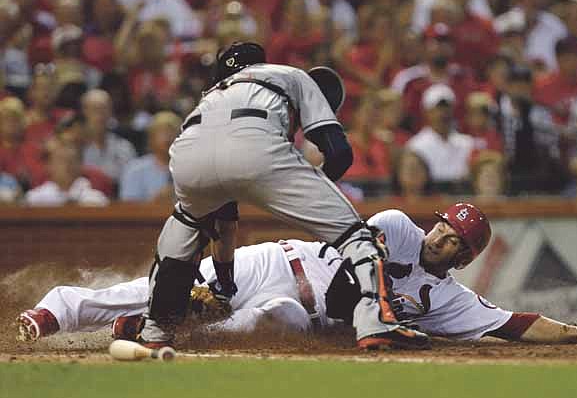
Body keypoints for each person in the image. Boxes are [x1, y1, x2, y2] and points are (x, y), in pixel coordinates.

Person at [17, 203, 577, 345]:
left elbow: (517, 323)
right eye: (443, 225)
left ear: (464, 254)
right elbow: (362, 257)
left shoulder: (449, 297)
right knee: (158, 288)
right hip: (277, 261)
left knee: (267, 324)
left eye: (454, 237)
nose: (440, 234)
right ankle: (56, 312)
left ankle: (148, 326)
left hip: (299, 309)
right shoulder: (400, 225)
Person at [139, 41, 428, 350]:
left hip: (187, 153)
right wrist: (310, 197)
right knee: (359, 237)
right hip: (258, 145)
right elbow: (339, 152)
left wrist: (225, 285)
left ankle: (153, 329)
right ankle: (375, 321)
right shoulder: (292, 75)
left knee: (182, 233)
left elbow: (225, 224)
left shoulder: (213, 95)